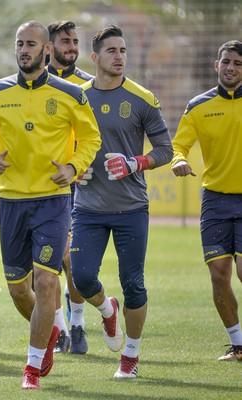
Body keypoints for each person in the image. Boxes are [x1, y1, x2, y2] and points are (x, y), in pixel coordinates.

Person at [0, 21, 101, 390]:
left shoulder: (70, 94)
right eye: (19, 43)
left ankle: (31, 367)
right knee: (17, 288)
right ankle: (49, 330)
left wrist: (74, 166)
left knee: (46, 280)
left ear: (46, 50)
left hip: (52, 201)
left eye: (31, 44)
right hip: (10, 202)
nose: (24, 49)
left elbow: (91, 137)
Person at [72, 25, 173, 379]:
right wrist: (73, 169)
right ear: (95, 57)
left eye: (124, 50)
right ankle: (106, 309)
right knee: (82, 278)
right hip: (87, 207)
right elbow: (63, 146)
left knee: (134, 283)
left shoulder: (143, 98)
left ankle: (130, 356)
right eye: (112, 50)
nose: (120, 57)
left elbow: (165, 150)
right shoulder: (77, 97)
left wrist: (137, 162)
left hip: (131, 208)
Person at [171, 39, 242, 362]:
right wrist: (177, 161)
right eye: (226, 61)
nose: (230, 68)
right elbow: (179, 145)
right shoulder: (198, 106)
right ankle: (238, 344)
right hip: (214, 199)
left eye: (238, 63)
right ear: (216, 65)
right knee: (218, 274)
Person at [47, 20, 93, 354]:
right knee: (46, 264)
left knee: (71, 261)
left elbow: (97, 135)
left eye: (75, 41)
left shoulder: (88, 86)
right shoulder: (32, 85)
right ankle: (59, 328)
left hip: (80, 189)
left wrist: (84, 167)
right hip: (41, 187)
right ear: (49, 47)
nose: (72, 47)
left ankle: (77, 325)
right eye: (66, 41)